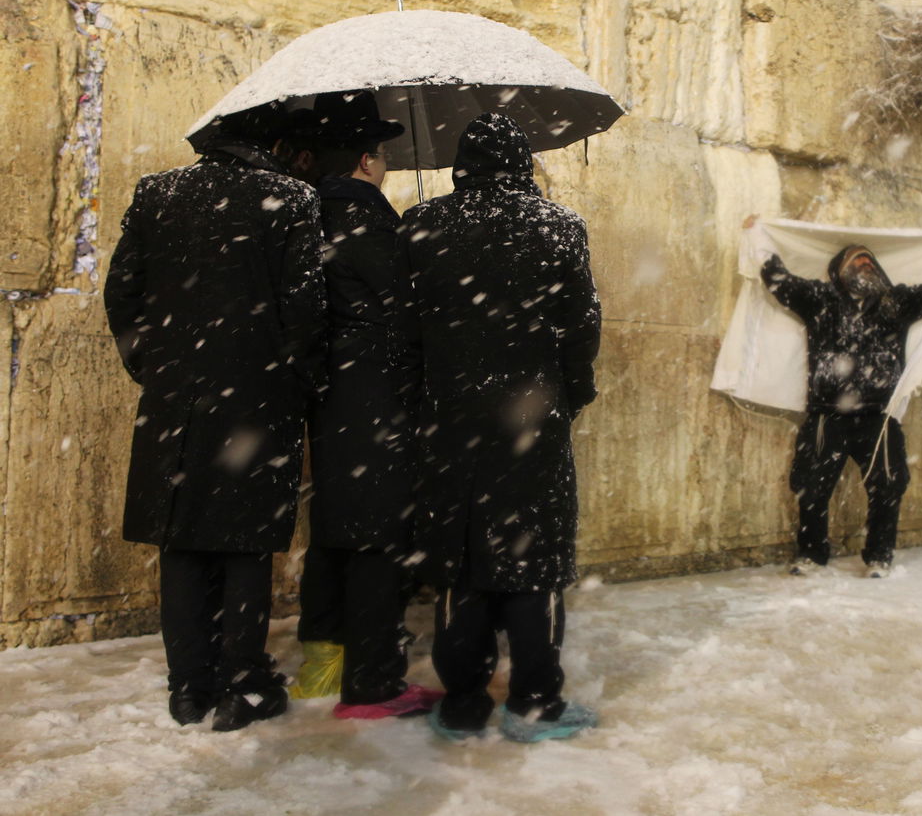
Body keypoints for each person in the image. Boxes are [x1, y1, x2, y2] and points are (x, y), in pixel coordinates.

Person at [104, 102, 327, 731]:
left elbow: (122, 292)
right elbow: (304, 310)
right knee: (243, 547)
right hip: (257, 401)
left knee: (182, 542)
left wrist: (154, 365)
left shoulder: (158, 193)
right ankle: (241, 683)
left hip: (176, 400)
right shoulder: (291, 200)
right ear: (268, 143)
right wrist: (299, 381)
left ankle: (187, 686)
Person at [399, 112, 602, 743]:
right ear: (522, 162)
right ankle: (535, 700)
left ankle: (462, 699)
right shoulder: (559, 227)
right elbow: (581, 326)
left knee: (464, 562)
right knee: (533, 563)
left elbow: (402, 334)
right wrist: (570, 395)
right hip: (530, 422)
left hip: (451, 423)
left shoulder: (421, 226)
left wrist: (425, 403)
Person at [290, 91, 443, 719]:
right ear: (366, 160)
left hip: (333, 396)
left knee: (336, 527)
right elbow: (403, 311)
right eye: (382, 157)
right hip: (375, 392)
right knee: (379, 534)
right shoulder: (365, 219)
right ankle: (374, 682)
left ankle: (324, 660)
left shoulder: (305, 213)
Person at [751, 221, 922, 578]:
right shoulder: (821, 300)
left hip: (878, 417)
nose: (865, 266)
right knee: (811, 487)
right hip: (827, 415)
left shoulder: (895, 303)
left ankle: (879, 555)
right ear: (839, 272)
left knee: (889, 485)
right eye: (856, 262)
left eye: (869, 261)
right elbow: (778, 281)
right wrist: (759, 239)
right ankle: (811, 554)